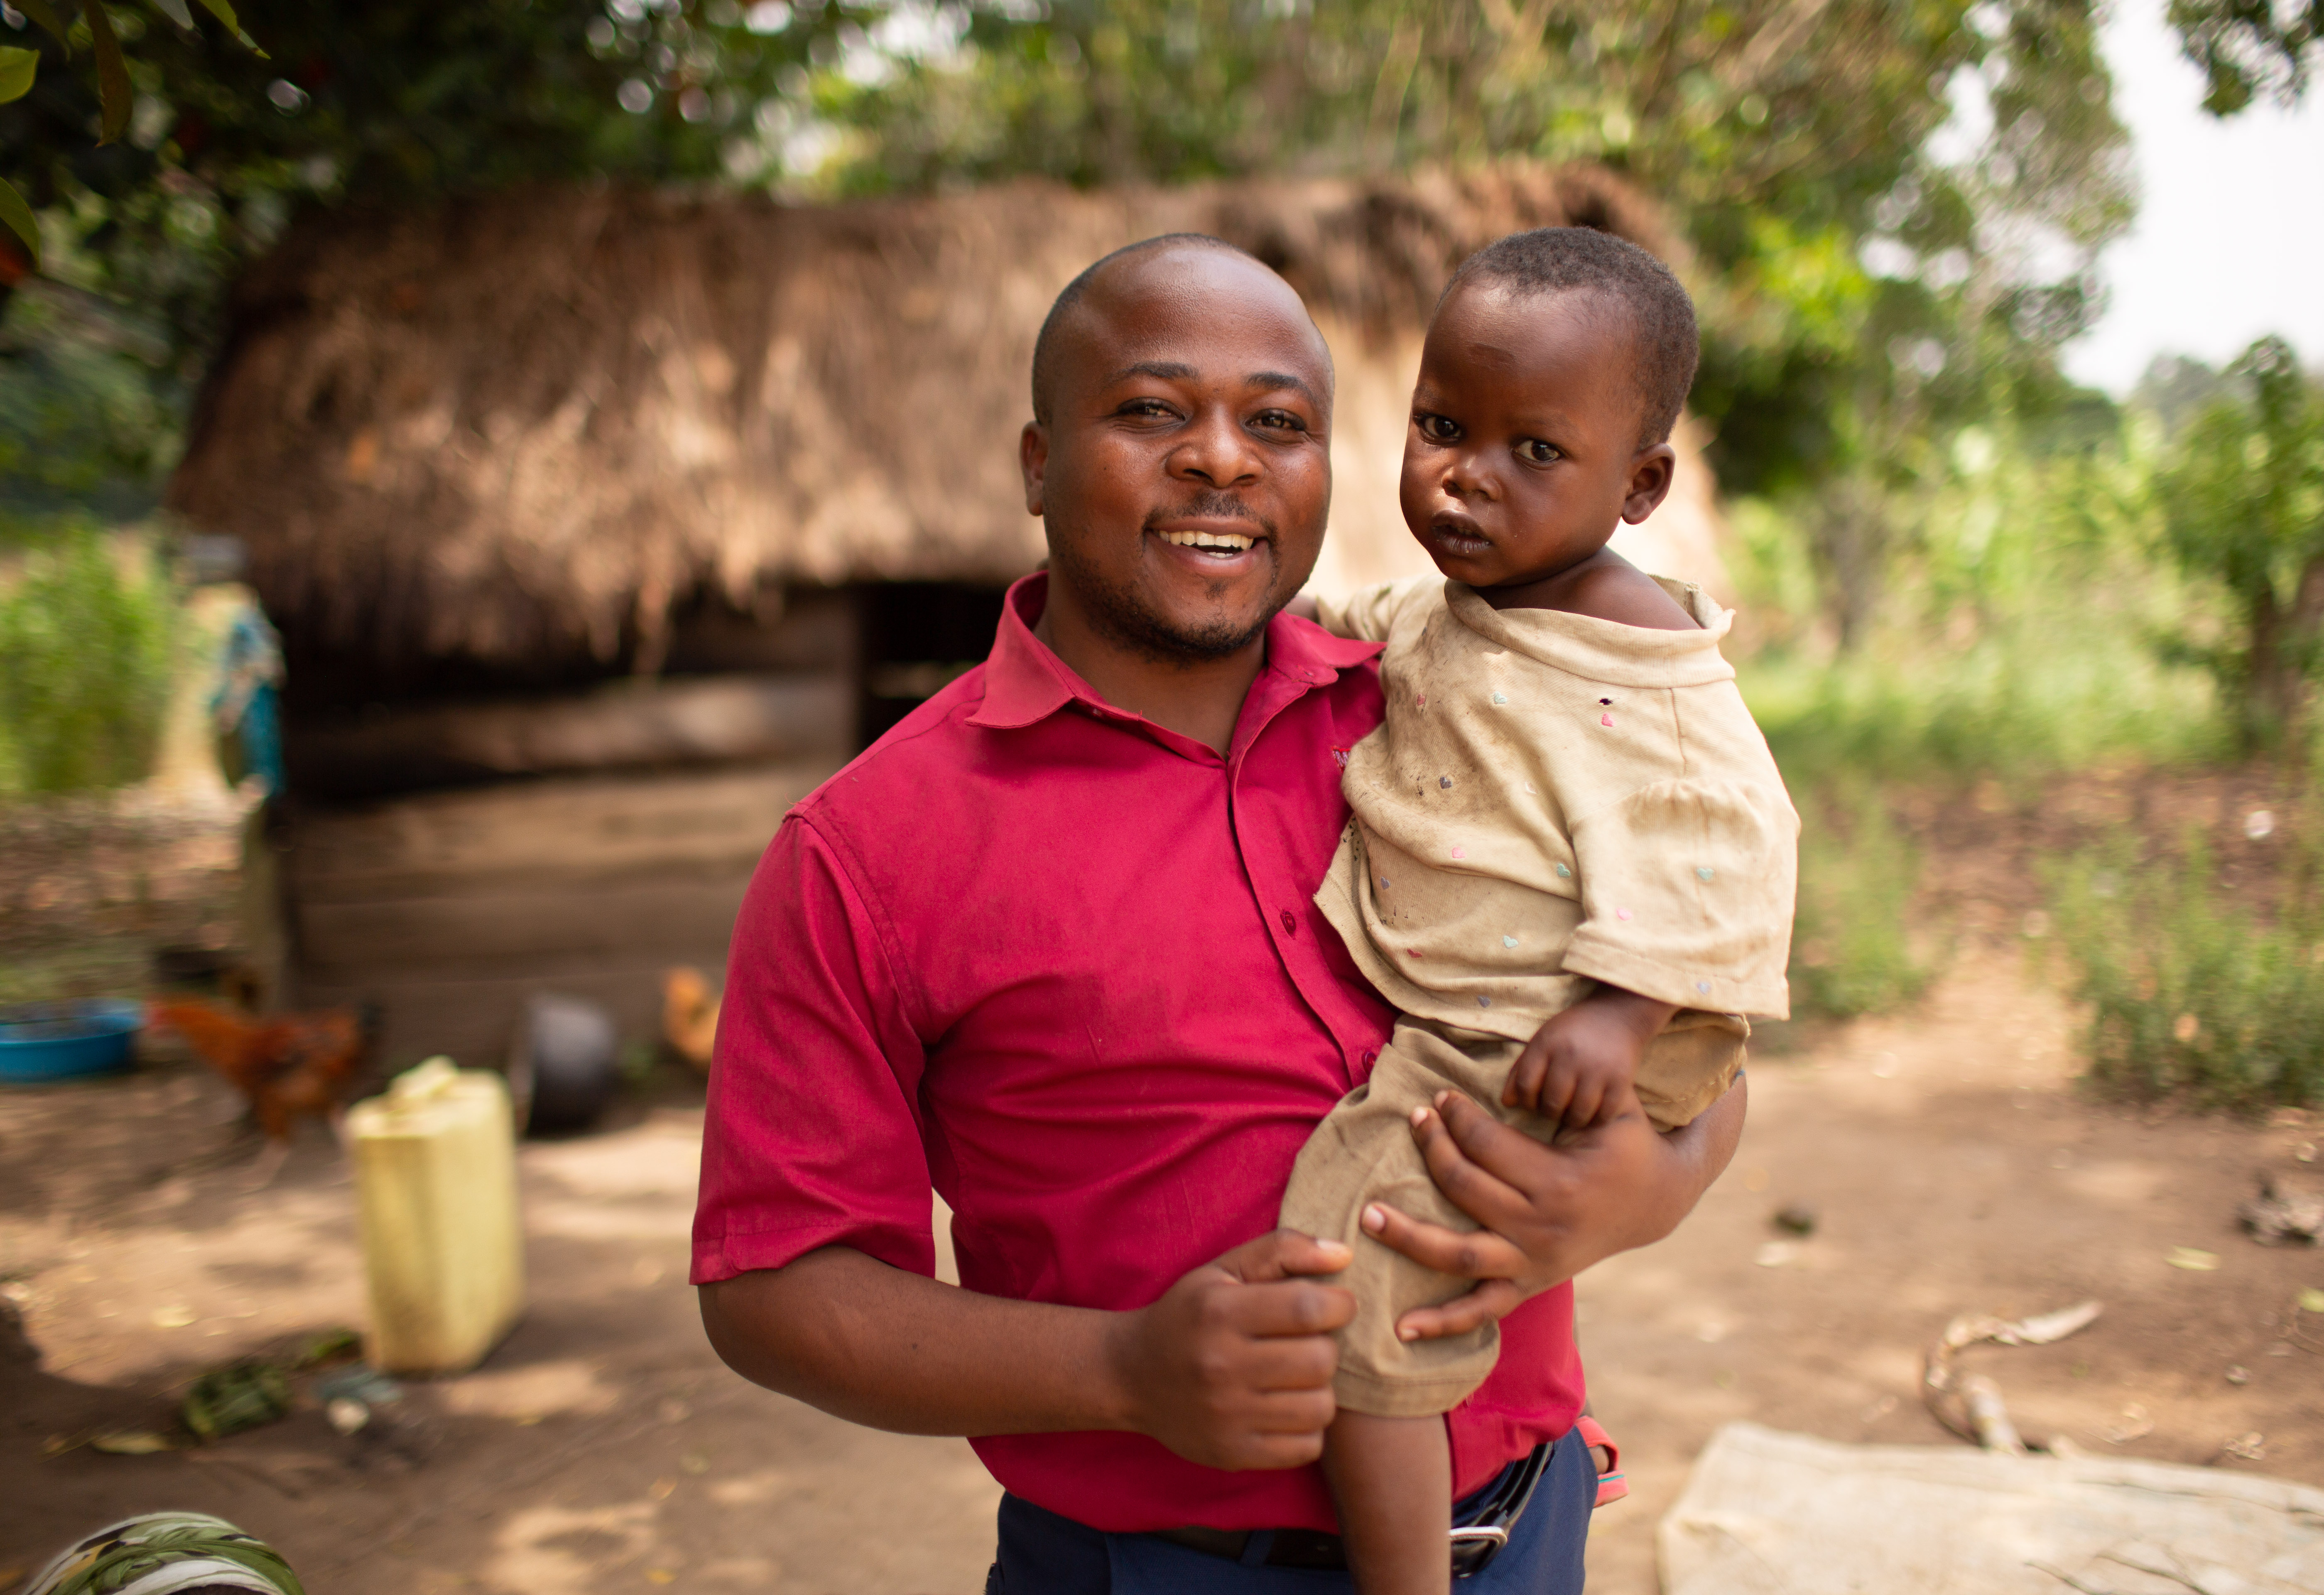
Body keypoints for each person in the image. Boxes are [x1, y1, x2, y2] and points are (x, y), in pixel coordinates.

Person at [692, 232, 1749, 1593]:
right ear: (1035, 461)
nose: (1222, 460)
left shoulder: (1456, 705)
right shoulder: (869, 852)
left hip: (1532, 1528)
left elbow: (1696, 1010)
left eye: (1278, 423)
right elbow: (773, 1289)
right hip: (1164, 1568)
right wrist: (1120, 1369)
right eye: (1150, 410)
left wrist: (1642, 1191)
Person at [1278, 228, 1800, 1594]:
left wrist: (1623, 1013)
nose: (1467, 474)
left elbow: (1730, 843)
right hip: (1499, 1009)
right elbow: (1354, 620)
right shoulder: (1465, 605)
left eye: (1535, 452)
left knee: (1355, 1285)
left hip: (1550, 1023)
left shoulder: (1641, 659)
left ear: (1639, 487)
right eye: (1445, 426)